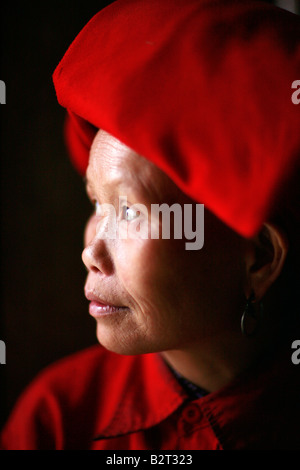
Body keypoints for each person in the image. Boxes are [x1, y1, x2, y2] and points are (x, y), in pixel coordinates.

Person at [1, 0, 300, 450]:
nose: (91, 252)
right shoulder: (59, 420)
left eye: (129, 212)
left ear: (258, 256)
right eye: (96, 204)